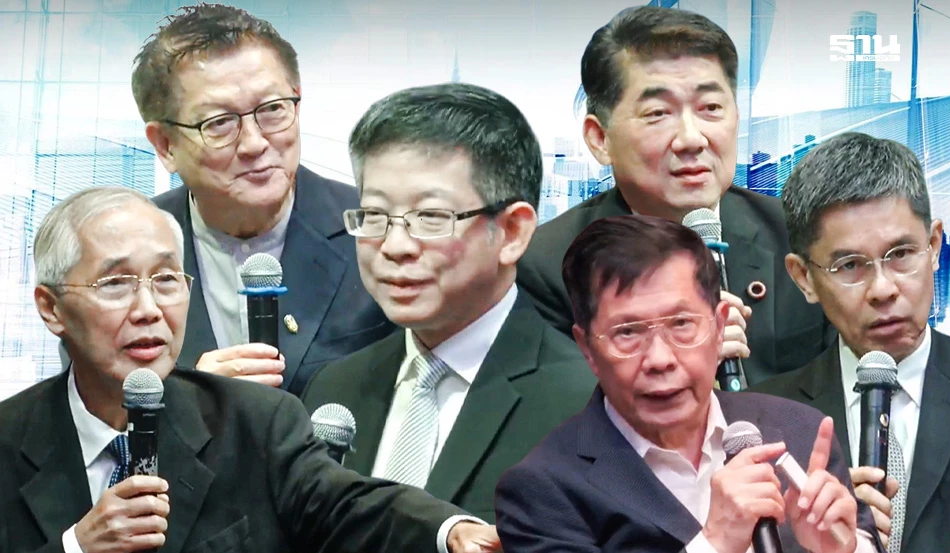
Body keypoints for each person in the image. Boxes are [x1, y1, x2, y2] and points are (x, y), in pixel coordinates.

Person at [0, 187, 500, 553]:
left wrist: (450, 531)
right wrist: (77, 548)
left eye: (167, 279)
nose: (149, 309)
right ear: (51, 308)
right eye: (116, 284)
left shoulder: (255, 422)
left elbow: (344, 504)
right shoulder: (8, 441)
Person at [494, 215, 881, 553]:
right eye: (627, 332)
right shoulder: (543, 490)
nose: (660, 359)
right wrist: (714, 543)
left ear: (719, 326)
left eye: (681, 324)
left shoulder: (801, 431)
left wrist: (840, 549)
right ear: (587, 349)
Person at [301, 83, 597, 523]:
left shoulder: (588, 404)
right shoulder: (334, 389)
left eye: (430, 218)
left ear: (512, 232)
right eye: (375, 216)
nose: (395, 246)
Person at [516, 6, 833, 386]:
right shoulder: (547, 268)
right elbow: (557, 411)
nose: (691, 139)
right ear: (600, 139)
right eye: (658, 113)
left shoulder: (799, 236)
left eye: (710, 108)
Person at [751, 132, 950, 553]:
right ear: (804, 278)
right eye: (850, 265)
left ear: (934, 246)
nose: (883, 289)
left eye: (901, 254)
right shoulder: (760, 423)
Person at [132, 4, 393, 396]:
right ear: (165, 145)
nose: (255, 144)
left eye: (272, 110)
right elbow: (83, 412)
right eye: (219, 123)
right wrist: (183, 405)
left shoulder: (377, 229)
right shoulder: (123, 250)